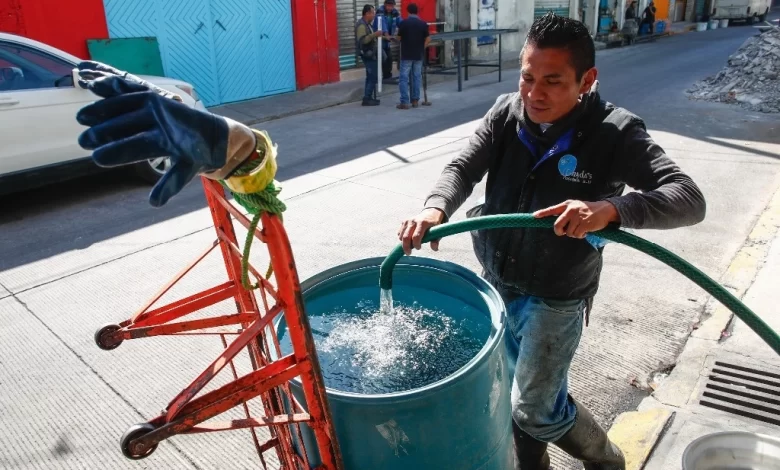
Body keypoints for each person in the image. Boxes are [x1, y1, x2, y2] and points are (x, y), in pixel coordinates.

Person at [397, 13, 705, 470]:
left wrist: (611, 210)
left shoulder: (616, 132)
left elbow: (689, 198)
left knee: (536, 408)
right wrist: (434, 208)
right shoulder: (506, 113)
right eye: (528, 77)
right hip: (497, 282)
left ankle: (607, 461)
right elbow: (461, 168)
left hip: (557, 297)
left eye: (553, 81)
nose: (535, 93)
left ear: (587, 80)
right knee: (518, 395)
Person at [396, 3, 430, 110]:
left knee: (403, 78)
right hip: (418, 55)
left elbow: (398, 37)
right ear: (417, 11)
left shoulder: (403, 23)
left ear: (408, 12)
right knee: (416, 77)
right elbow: (428, 39)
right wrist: (421, 47)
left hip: (406, 54)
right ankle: (415, 100)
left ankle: (404, 102)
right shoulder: (423, 24)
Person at [356, 4, 385, 106]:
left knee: (370, 76)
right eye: (372, 13)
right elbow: (363, 41)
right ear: (367, 13)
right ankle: (367, 98)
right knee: (373, 76)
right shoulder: (361, 25)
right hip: (368, 54)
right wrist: (375, 34)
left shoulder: (368, 24)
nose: (374, 15)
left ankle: (368, 97)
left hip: (371, 53)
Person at [374, 0, 402, 80]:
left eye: (392, 6)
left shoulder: (394, 12)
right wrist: (386, 34)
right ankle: (383, 77)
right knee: (383, 58)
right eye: (388, 6)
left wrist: (405, 27)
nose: (390, 8)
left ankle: (387, 76)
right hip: (380, 39)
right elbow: (382, 24)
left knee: (389, 58)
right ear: (385, 4)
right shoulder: (380, 11)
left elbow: (400, 22)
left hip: (387, 41)